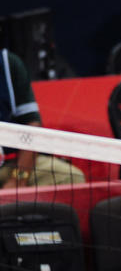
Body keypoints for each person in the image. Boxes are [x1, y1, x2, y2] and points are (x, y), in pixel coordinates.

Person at [0, 48, 85, 189]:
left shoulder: (8, 63)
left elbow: (32, 126)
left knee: (70, 177)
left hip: (10, 164)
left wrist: (19, 178)